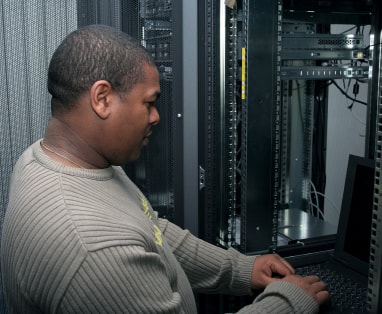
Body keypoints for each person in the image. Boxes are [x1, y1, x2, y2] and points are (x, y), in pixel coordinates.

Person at [1, 24, 329, 313]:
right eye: (149, 102)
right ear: (101, 98)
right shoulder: (93, 250)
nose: (156, 116)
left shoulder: (48, 158)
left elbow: (152, 231)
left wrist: (240, 269)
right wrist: (288, 303)